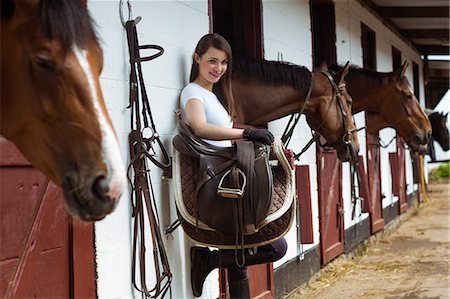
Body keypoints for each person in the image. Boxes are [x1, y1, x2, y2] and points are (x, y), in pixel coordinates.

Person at [180, 33, 288, 299]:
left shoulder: (212, 94)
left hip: (231, 170)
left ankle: (210, 262)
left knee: (241, 249)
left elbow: (223, 130)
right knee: (275, 247)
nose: (218, 68)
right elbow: (200, 127)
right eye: (212, 61)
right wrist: (247, 134)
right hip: (219, 176)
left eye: (224, 62)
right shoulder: (192, 92)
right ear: (197, 59)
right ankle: (209, 262)